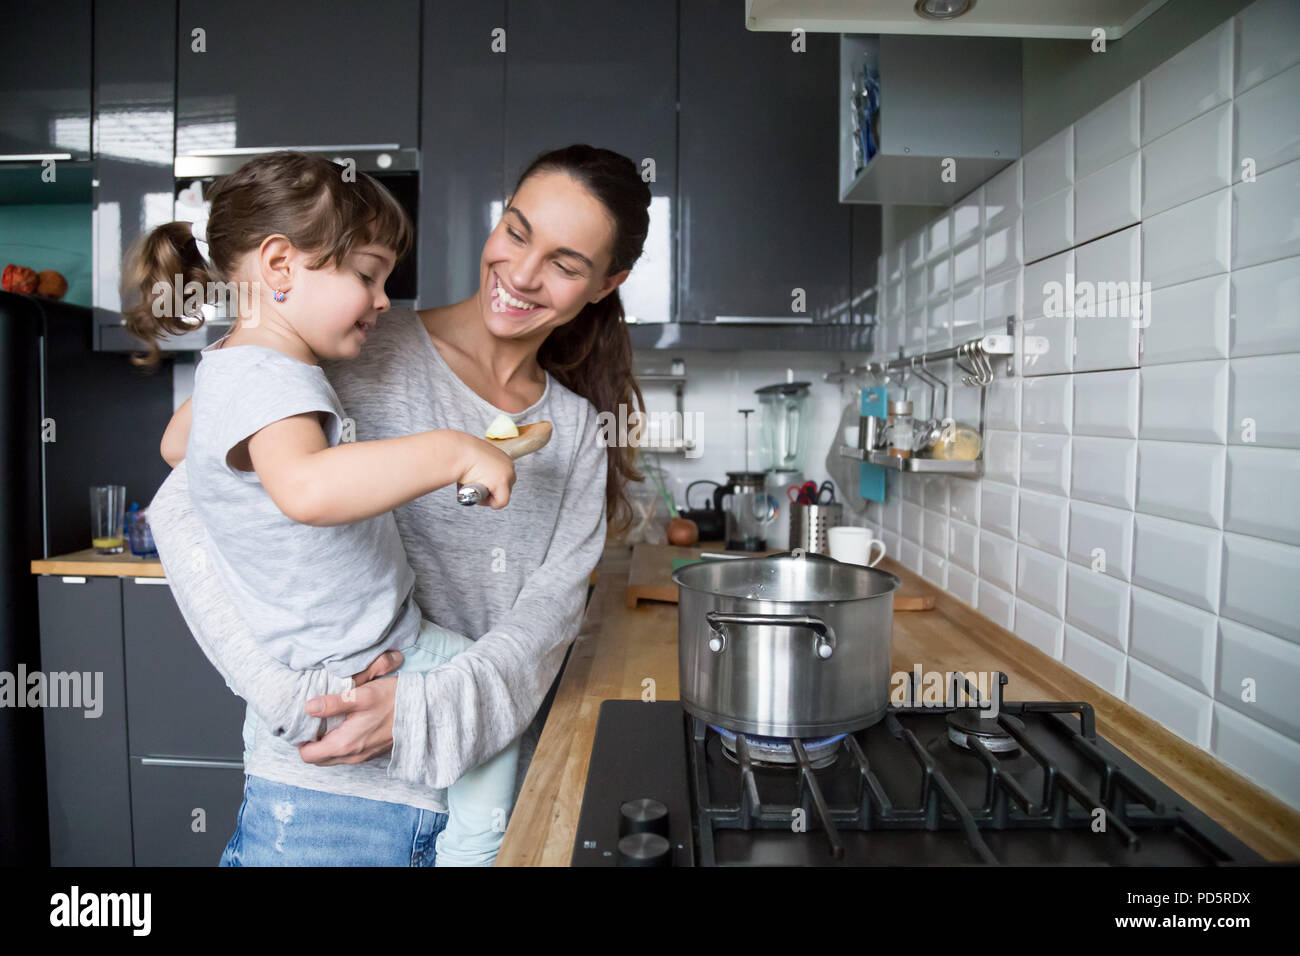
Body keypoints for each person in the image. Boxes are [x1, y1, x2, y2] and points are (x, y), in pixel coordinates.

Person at [142, 143, 651, 865]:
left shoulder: (575, 434)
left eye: (567, 265)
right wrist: (282, 692)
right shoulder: (351, 344)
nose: (524, 273)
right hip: (329, 796)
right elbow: (187, 503)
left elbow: (545, 629)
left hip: (493, 794)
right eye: (515, 231)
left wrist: (419, 714)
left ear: (607, 284)